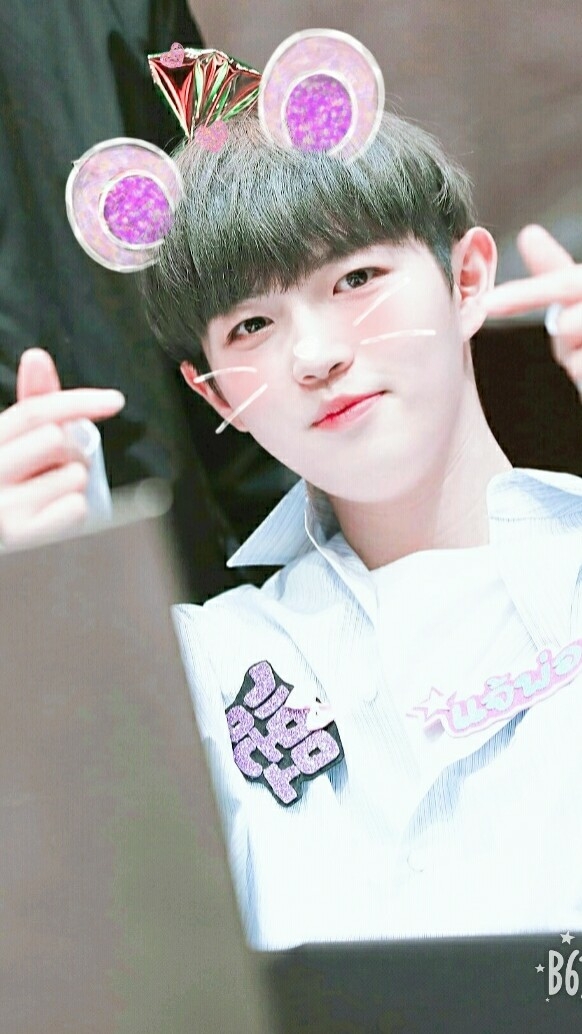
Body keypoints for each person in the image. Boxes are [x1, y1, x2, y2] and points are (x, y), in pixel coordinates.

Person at [1, 106, 582, 951]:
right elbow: (98, 927)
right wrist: (49, 613)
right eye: (252, 325)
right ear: (217, 395)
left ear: (466, 279)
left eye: (355, 278)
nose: (314, 355)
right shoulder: (201, 668)